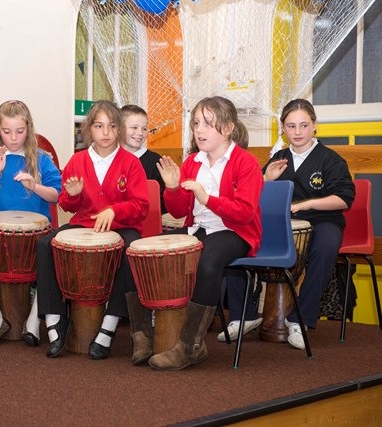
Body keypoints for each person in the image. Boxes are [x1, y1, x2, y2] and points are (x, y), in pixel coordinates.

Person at [221, 98, 355, 350]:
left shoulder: (330, 159)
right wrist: (265, 178)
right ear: (283, 128)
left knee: (325, 248)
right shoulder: (278, 158)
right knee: (235, 240)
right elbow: (251, 196)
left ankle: (300, 320)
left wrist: (304, 205)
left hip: (322, 221)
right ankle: (243, 316)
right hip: (279, 223)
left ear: (315, 125)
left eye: (304, 125)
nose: (297, 132)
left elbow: (343, 199)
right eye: (291, 126)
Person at [146, 95, 263, 370]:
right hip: (199, 229)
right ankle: (152, 336)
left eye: (207, 124)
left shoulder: (246, 163)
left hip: (235, 231)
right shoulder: (192, 163)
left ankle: (190, 347)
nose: (199, 130)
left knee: (208, 260)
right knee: (165, 255)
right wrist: (172, 188)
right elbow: (177, 212)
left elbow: (244, 212)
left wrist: (206, 197)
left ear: (227, 128)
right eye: (196, 123)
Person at [36, 99, 150, 360]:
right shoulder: (77, 161)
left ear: (119, 129)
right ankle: (55, 321)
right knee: (44, 244)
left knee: (131, 249)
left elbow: (141, 206)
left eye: (111, 126)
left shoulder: (131, 163)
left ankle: (109, 325)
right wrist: (73, 195)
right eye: (99, 126)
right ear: (89, 129)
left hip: (122, 227)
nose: (106, 132)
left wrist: (115, 211)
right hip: (84, 224)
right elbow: (65, 202)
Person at [0, 99, 61, 346]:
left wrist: (35, 185)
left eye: (20, 131)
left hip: (38, 232)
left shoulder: (41, 159)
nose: (13, 138)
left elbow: (56, 195)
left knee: (51, 251)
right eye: (6, 131)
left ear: (28, 129)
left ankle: (33, 321)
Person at [120, 104, 166, 213]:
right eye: (134, 127)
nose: (140, 133)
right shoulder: (108, 158)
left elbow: (162, 203)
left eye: (144, 128)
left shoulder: (156, 162)